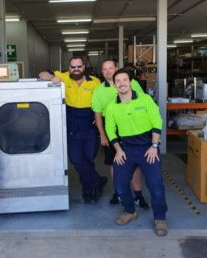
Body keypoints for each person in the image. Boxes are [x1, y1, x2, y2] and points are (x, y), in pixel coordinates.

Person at [105, 68, 168, 236]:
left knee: (155, 186)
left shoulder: (145, 99)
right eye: (118, 81)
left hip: (148, 148)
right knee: (119, 185)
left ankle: (160, 218)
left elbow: (157, 121)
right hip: (125, 149)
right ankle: (129, 210)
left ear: (130, 82)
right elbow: (110, 129)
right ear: (114, 84)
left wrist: (154, 146)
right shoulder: (112, 107)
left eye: (125, 80)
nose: (122, 83)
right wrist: (118, 150)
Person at [39, 56, 107, 204]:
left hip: (90, 124)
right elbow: (41, 74)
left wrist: (101, 121)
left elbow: (102, 102)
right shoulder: (63, 77)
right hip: (71, 125)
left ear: (84, 67)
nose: (76, 69)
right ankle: (97, 181)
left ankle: (88, 192)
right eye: (73, 67)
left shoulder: (95, 82)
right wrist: (52, 77)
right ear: (69, 68)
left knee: (88, 159)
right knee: (76, 159)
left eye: (79, 66)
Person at [92, 60, 149, 209]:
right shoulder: (98, 90)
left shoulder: (131, 83)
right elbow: (97, 115)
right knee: (114, 162)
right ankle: (118, 192)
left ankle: (138, 195)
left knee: (134, 162)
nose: (108, 71)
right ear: (102, 72)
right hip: (111, 128)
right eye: (104, 69)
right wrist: (103, 135)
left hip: (132, 126)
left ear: (116, 68)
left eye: (111, 68)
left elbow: (143, 104)